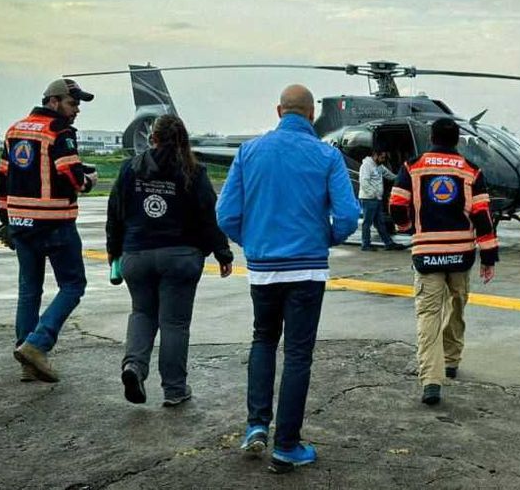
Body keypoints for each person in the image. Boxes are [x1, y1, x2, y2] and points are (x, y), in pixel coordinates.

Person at [217, 84, 359, 473]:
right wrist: (325, 238)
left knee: (263, 340)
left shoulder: (248, 152)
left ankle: (256, 426)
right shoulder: (327, 155)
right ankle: (287, 445)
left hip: (263, 271)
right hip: (308, 269)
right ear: (311, 115)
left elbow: (226, 214)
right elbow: (348, 215)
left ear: (279, 111)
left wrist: (255, 243)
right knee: (298, 354)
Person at [106, 114, 233, 407]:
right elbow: (208, 216)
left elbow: (115, 213)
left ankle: (134, 367)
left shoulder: (129, 169)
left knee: (142, 313)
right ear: (183, 140)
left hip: (136, 254)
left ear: (153, 139)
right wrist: (222, 253)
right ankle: (174, 389)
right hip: (181, 256)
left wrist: (114, 248)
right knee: (174, 323)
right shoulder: (194, 172)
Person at [389, 118, 498, 406]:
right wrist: (488, 257)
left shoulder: (412, 167)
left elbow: (397, 206)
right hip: (461, 255)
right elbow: (483, 216)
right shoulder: (471, 171)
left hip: (426, 255)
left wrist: (409, 229)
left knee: (428, 316)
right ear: (457, 139)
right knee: (457, 307)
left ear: (431, 137)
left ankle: (431, 381)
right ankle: (451, 360)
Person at [0, 78, 98, 383]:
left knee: (29, 290)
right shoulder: (59, 132)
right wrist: (89, 179)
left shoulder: (15, 130)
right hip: (54, 223)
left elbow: (3, 178)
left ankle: (27, 361)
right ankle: (37, 345)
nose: (77, 109)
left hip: (21, 223)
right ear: (53, 102)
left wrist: (7, 219)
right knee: (73, 285)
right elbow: (73, 177)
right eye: (72, 103)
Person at [358, 148, 405, 252]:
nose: (383, 159)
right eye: (382, 157)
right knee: (367, 223)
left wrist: (400, 178)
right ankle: (365, 244)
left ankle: (388, 243)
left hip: (377, 199)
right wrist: (373, 194)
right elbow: (364, 182)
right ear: (375, 155)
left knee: (380, 222)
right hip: (369, 199)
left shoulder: (379, 166)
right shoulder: (366, 166)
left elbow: (389, 175)